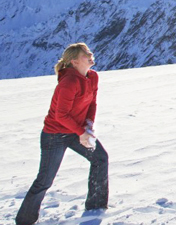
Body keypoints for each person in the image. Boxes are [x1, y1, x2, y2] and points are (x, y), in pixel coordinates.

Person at [16, 43, 109, 225]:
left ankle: (95, 206)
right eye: (86, 54)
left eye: (90, 52)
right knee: (45, 180)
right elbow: (61, 115)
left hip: (76, 131)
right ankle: (24, 221)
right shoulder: (69, 82)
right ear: (74, 61)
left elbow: (92, 103)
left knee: (100, 158)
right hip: (54, 135)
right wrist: (81, 132)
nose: (91, 55)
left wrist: (89, 126)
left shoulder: (93, 77)